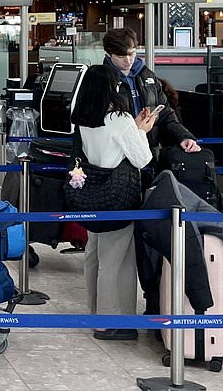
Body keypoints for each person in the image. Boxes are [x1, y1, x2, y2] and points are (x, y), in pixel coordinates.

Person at [71, 65, 155, 341]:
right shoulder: (118, 118)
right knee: (115, 261)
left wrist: (135, 128)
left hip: (93, 194)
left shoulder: (83, 117)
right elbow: (143, 159)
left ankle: (96, 313)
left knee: (94, 256)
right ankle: (112, 321)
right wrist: (141, 129)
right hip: (118, 198)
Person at [103, 28, 199, 155]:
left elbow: (165, 113)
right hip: (117, 154)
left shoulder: (147, 76)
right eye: (121, 56)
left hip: (148, 151)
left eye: (131, 54)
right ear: (108, 54)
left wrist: (184, 136)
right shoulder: (100, 80)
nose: (128, 60)